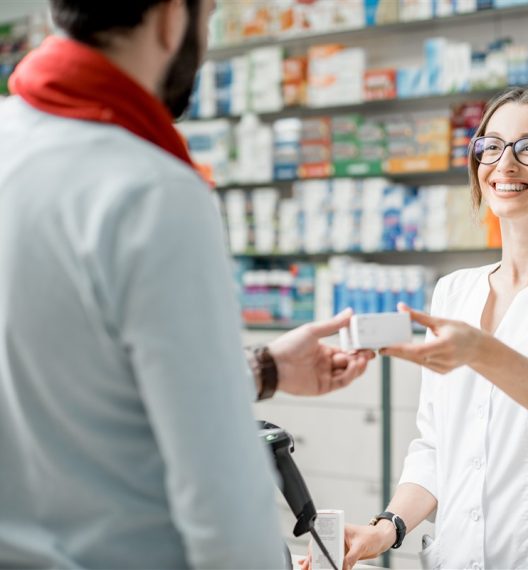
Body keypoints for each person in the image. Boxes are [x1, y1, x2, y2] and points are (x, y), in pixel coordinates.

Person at [0, 0, 373, 568]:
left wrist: (265, 368)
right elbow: (219, 488)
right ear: (174, 16)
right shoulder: (152, 189)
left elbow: (65, 379)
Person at [335, 87, 528, 569]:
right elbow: (436, 446)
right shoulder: (454, 292)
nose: (505, 164)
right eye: (490, 146)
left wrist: (480, 350)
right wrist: (385, 528)